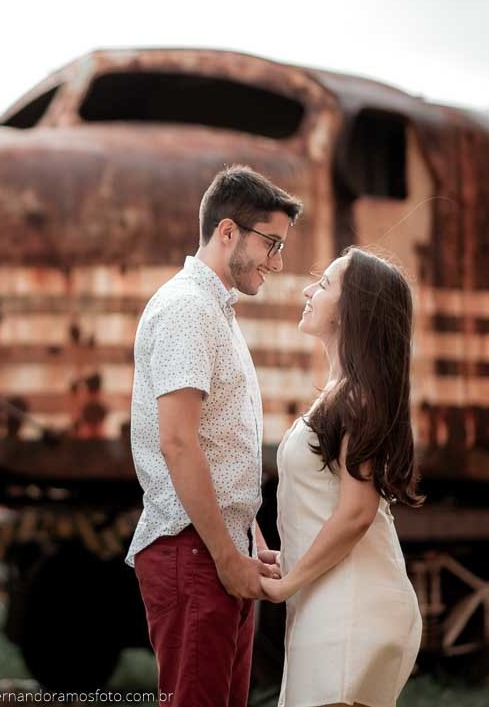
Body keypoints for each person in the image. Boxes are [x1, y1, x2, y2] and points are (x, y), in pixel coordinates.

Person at [126, 165, 303, 707]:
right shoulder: (187, 310)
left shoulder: (213, 310)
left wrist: (248, 536)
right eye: (271, 243)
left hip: (216, 548)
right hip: (194, 551)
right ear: (228, 232)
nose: (277, 261)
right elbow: (177, 443)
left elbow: (216, 441)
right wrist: (227, 556)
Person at [262, 247, 425, 707]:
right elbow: (326, 505)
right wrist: (287, 558)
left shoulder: (357, 398)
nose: (308, 291)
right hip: (331, 599)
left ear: (352, 310)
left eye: (325, 284)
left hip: (351, 605)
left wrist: (288, 582)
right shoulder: (343, 394)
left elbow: (356, 514)